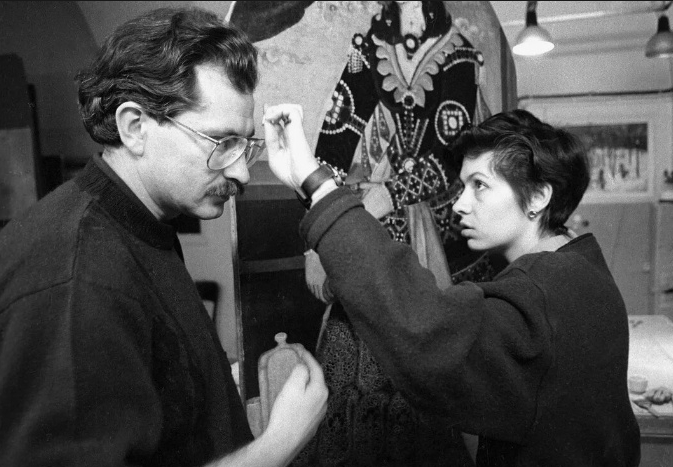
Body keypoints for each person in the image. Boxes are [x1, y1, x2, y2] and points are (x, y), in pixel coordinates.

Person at [0, 8, 327, 467]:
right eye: (221, 143)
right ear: (135, 127)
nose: (240, 173)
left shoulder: (138, 222)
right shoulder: (78, 275)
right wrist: (277, 445)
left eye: (244, 145)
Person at [263, 104, 641, 466]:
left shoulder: (538, 296)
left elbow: (422, 331)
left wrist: (318, 185)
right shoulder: (580, 270)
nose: (460, 204)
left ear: (539, 197)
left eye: (480, 185)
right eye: (463, 186)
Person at [296, 3, 496, 465]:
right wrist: (319, 231)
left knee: (425, 366)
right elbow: (335, 138)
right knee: (349, 354)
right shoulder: (369, 50)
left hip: (441, 231)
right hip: (372, 217)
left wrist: (391, 194)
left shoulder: (458, 56)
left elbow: (452, 155)